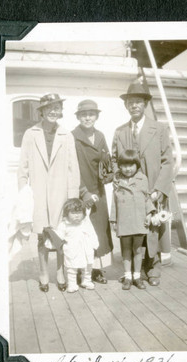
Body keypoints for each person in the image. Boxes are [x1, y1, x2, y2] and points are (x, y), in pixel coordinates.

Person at [112, 82, 174, 286]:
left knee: (153, 227)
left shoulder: (160, 128)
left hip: (153, 189)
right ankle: (134, 271)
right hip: (130, 191)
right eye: (131, 102)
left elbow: (167, 161)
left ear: (145, 104)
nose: (134, 106)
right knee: (134, 228)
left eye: (138, 102)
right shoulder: (120, 131)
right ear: (126, 106)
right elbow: (114, 160)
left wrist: (158, 190)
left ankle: (153, 267)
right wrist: (118, 181)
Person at [17, 93, 80, 292]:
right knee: (43, 236)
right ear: (42, 112)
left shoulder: (66, 135)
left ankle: (60, 272)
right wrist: (24, 196)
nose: (53, 111)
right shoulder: (30, 134)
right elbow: (23, 168)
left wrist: (72, 197)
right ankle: (43, 273)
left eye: (57, 108)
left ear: (60, 111)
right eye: (49, 108)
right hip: (37, 194)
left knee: (60, 234)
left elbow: (73, 167)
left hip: (61, 195)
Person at [72, 100, 113, 284]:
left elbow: (107, 161)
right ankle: (81, 271)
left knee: (99, 230)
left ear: (97, 116)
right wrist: (84, 192)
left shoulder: (101, 136)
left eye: (91, 114)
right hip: (80, 189)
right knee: (81, 231)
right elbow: (70, 168)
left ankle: (96, 270)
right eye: (83, 114)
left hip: (99, 190)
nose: (87, 117)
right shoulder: (72, 137)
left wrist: (109, 173)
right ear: (78, 117)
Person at [110, 150, 155, 290]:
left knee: (137, 250)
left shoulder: (143, 179)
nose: (127, 169)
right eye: (124, 165)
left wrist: (149, 213)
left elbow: (147, 198)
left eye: (131, 165)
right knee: (126, 250)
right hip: (124, 221)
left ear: (137, 165)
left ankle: (137, 276)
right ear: (120, 166)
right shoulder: (117, 181)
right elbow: (114, 202)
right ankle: (127, 277)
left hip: (139, 220)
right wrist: (113, 220)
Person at [55, 198, 99, 293]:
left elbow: (92, 233)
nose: (77, 216)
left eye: (79, 213)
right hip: (72, 249)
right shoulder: (64, 224)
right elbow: (59, 236)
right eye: (73, 213)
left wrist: (94, 244)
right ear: (67, 214)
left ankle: (86, 280)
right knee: (71, 268)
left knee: (88, 266)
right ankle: (72, 283)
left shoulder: (85, 223)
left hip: (86, 249)